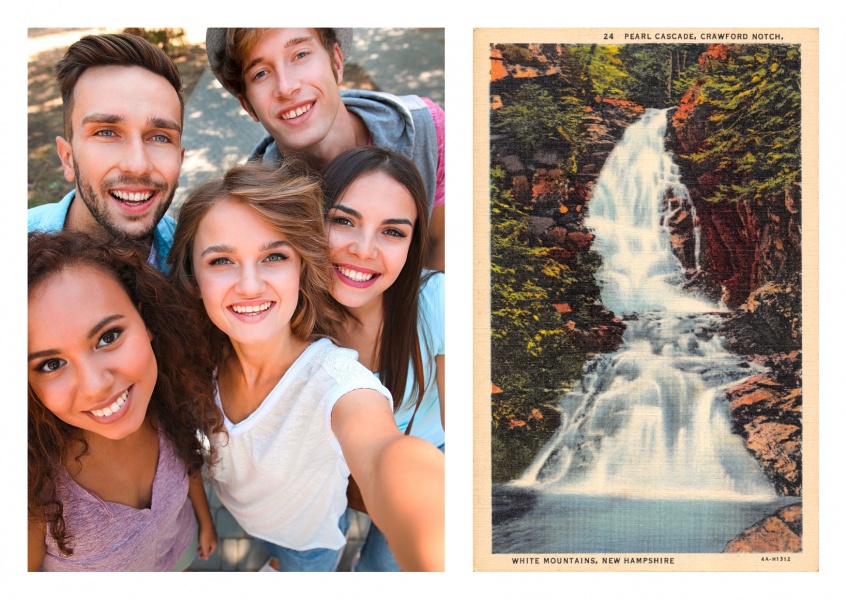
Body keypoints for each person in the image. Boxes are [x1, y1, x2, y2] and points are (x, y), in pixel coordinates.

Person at [167, 160, 445, 571]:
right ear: (194, 275)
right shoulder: (197, 357)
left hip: (310, 545)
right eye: (221, 261)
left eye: (274, 256)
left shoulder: (335, 378)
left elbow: (378, 447)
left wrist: (431, 521)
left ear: (303, 266)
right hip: (256, 524)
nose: (249, 285)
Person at [27, 230, 223, 571]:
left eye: (108, 337)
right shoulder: (32, 493)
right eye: (51, 364)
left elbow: (189, 462)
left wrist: (204, 520)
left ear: (145, 321)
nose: (95, 387)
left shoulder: (164, 399)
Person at [204, 27, 445, 272]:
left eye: (300, 55)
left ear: (336, 62)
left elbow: (441, 243)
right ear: (248, 106)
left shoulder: (425, 129)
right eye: (261, 73)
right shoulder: (254, 204)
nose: (286, 88)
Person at [322, 146, 445, 571]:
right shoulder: (287, 308)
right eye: (343, 221)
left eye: (392, 232)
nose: (363, 249)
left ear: (413, 244)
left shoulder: (437, 302)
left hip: (426, 462)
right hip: (328, 471)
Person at [28, 33, 185, 273]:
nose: (138, 165)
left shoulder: (196, 262)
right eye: (106, 133)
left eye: (160, 137)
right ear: (67, 158)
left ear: (180, 159)